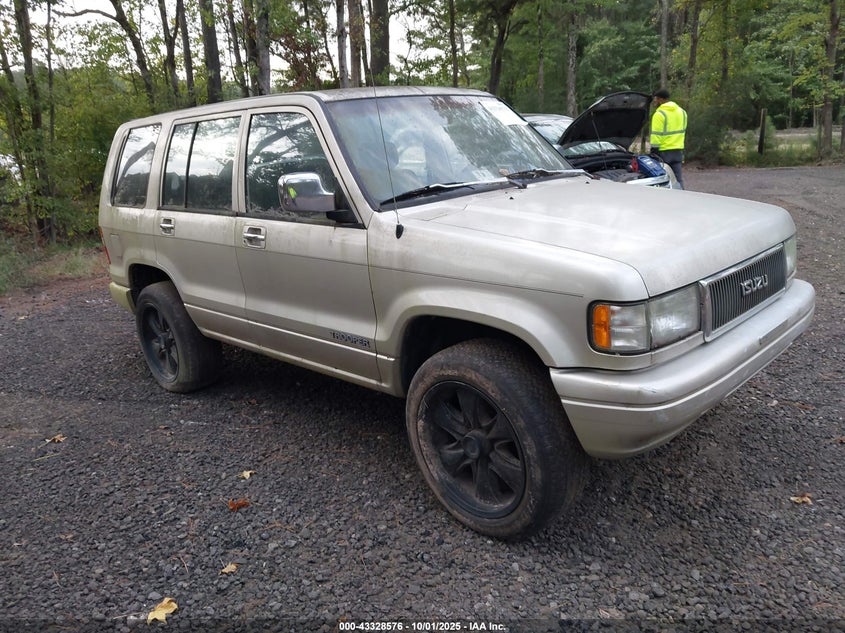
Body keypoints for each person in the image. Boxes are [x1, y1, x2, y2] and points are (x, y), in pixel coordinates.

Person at [650, 89, 688, 189]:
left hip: (663, 153)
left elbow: (656, 136)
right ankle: (683, 198)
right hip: (678, 151)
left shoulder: (659, 115)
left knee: (662, 180)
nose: (655, 102)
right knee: (678, 179)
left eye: (656, 99)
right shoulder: (682, 112)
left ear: (661, 100)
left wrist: (653, 152)